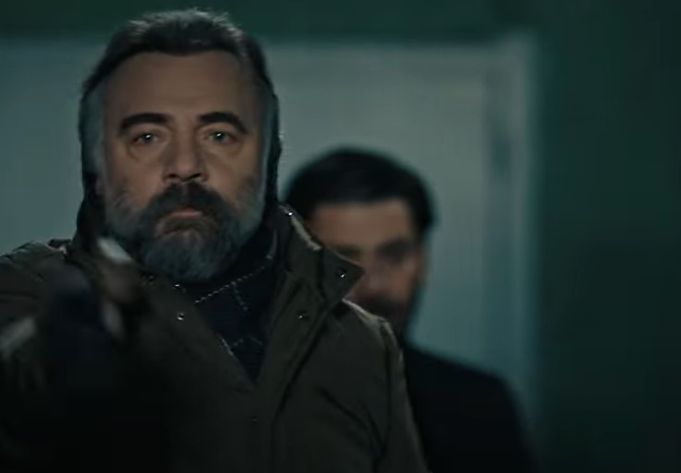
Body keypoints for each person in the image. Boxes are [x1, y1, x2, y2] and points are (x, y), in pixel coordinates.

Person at [0, 11, 428, 473]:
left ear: (268, 158)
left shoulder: (360, 345)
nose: (185, 165)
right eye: (147, 136)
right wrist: (65, 350)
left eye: (219, 135)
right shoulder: (27, 293)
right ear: (97, 167)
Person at [285, 147, 534, 473]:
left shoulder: (478, 407)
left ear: (422, 261)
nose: (373, 286)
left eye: (394, 255)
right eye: (342, 261)